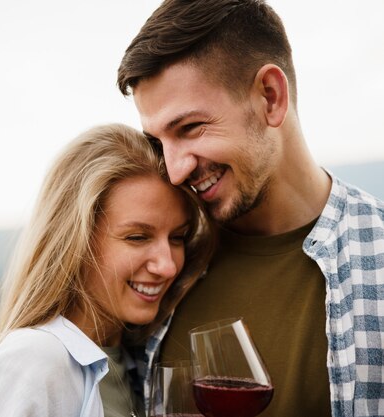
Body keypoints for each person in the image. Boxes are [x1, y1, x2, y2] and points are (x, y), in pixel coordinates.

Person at [116, 1, 384, 416]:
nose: (173, 170)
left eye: (190, 128)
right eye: (158, 142)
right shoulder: (161, 269)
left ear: (271, 97)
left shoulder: (377, 262)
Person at [0, 124, 214, 417]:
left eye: (177, 237)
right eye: (137, 237)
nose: (167, 266)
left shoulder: (136, 363)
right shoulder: (31, 363)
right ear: (74, 241)